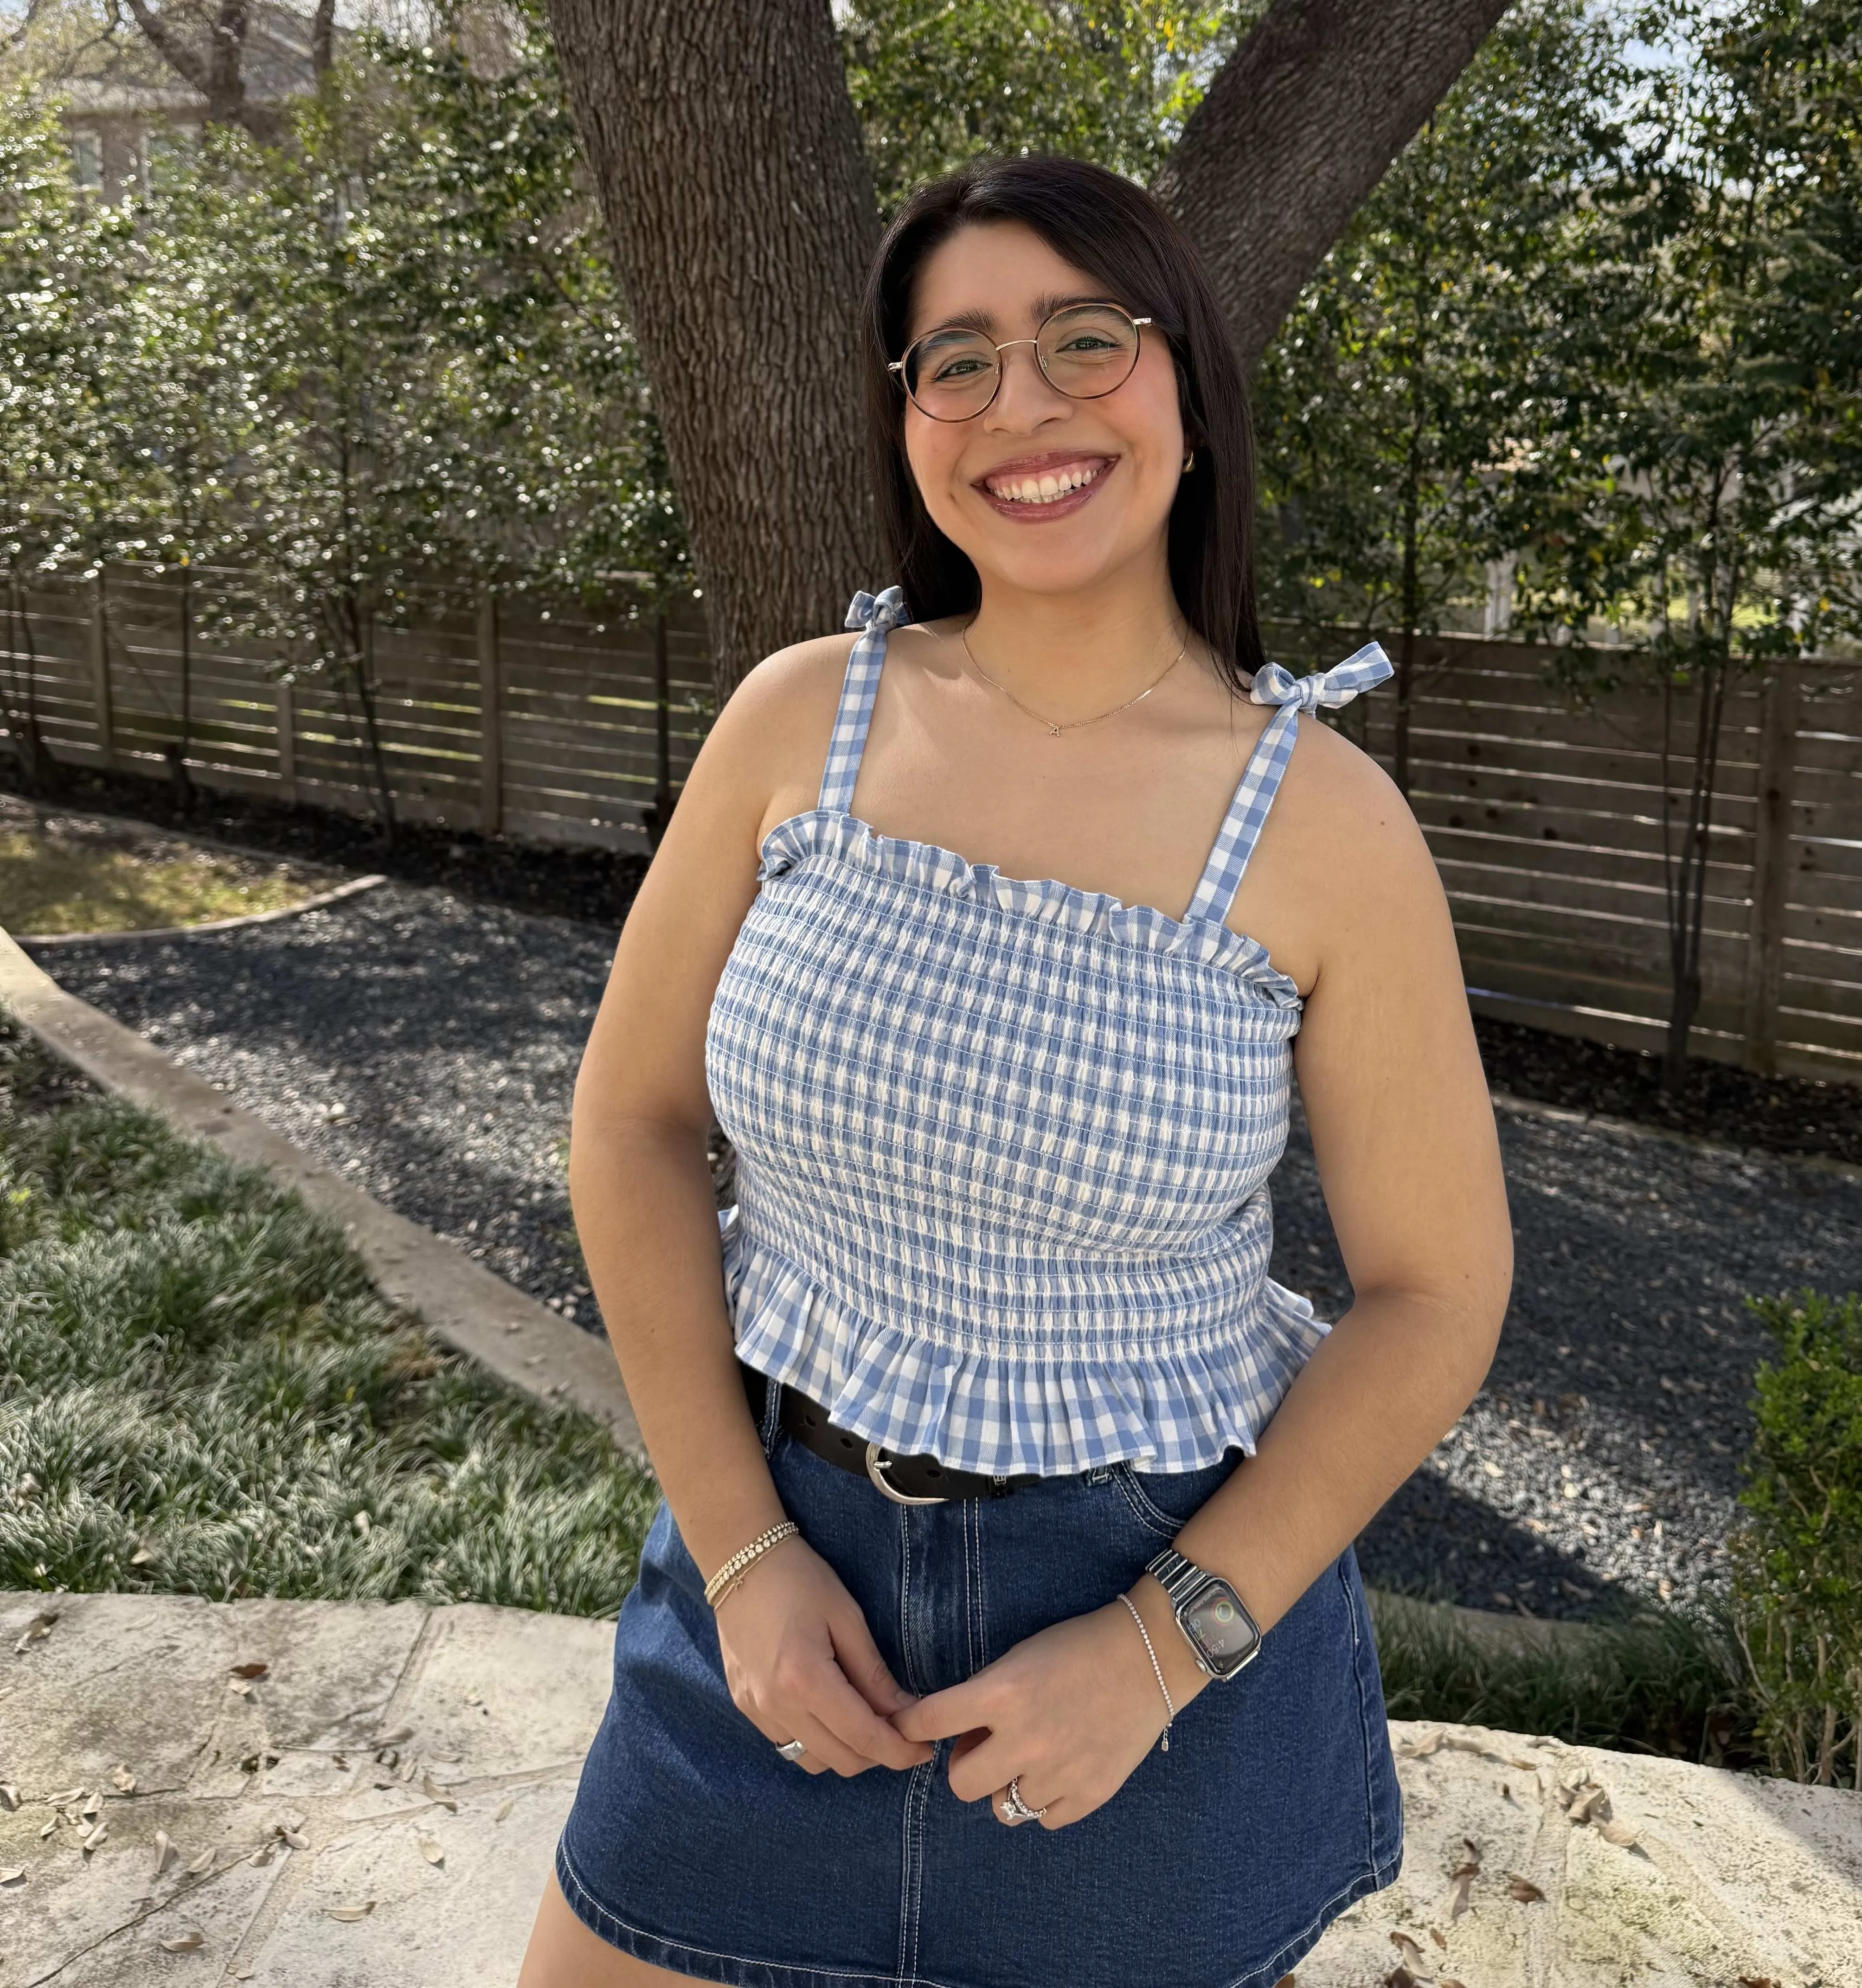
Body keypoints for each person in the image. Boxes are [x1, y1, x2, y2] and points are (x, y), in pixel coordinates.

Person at [517, 154, 1510, 1988]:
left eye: (1083, 340)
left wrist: (1158, 1645)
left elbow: (1436, 1290)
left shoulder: (1327, 824)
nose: (1021, 404)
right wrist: (740, 1555)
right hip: (777, 1580)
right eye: (955, 361)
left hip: (1147, 1625)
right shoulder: (798, 721)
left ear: (1187, 389)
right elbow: (633, 1122)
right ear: (905, 422)